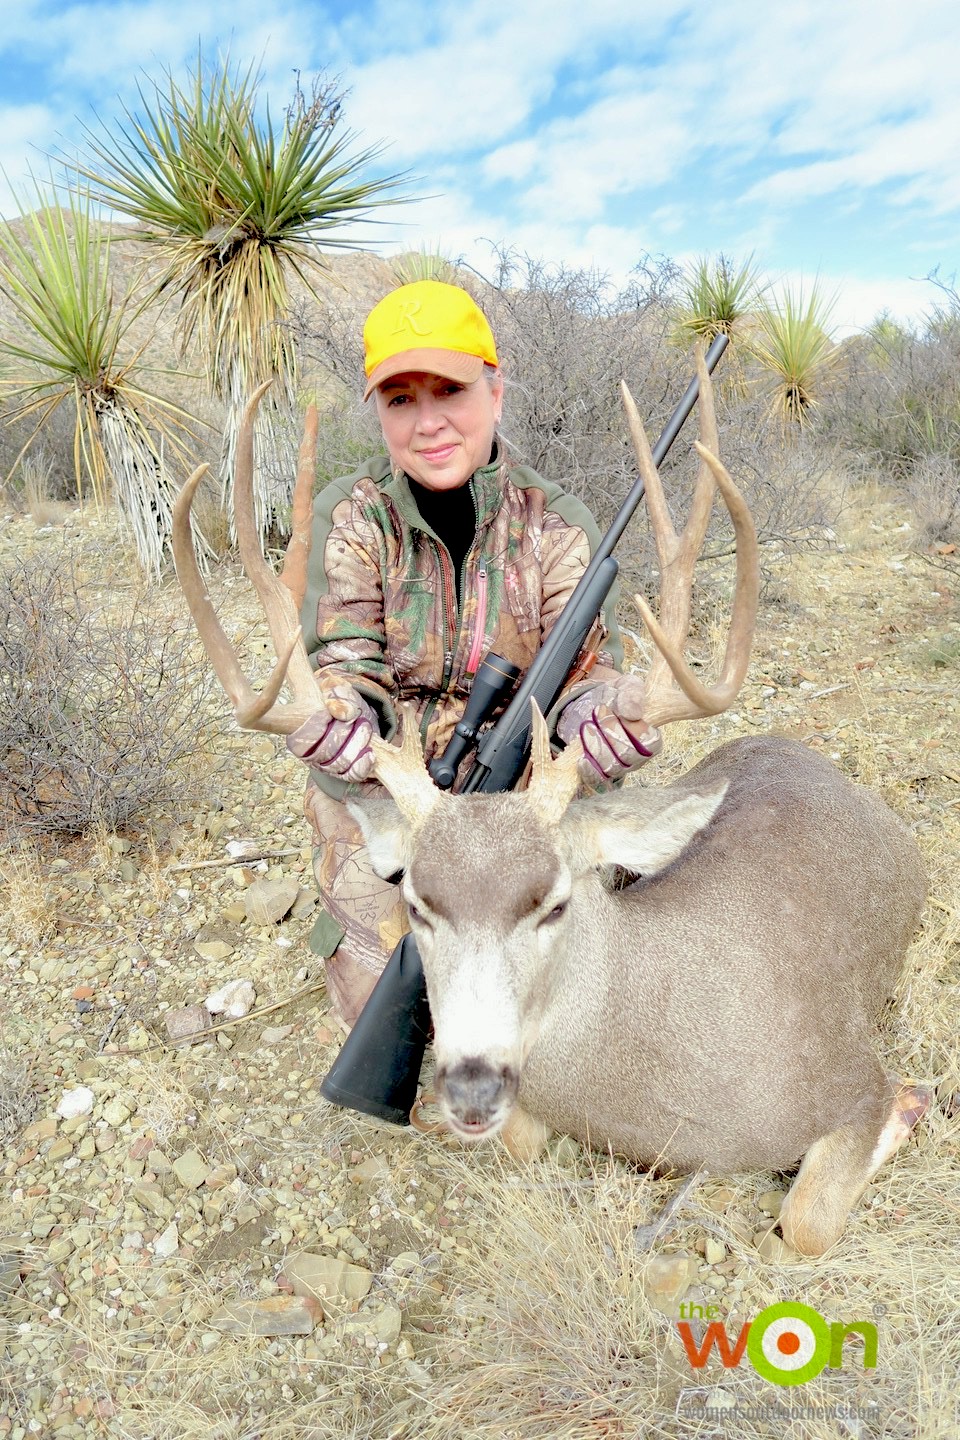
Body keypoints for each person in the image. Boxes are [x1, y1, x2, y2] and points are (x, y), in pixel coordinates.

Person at [287, 280, 660, 1029]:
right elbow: (344, 666)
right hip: (397, 798)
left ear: (496, 391)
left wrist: (605, 721)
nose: (428, 423)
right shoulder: (355, 517)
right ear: (382, 415)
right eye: (400, 400)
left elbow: (586, 678)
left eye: (450, 391)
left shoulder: (557, 525)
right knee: (379, 1008)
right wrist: (338, 723)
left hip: (523, 801)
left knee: (570, 998)